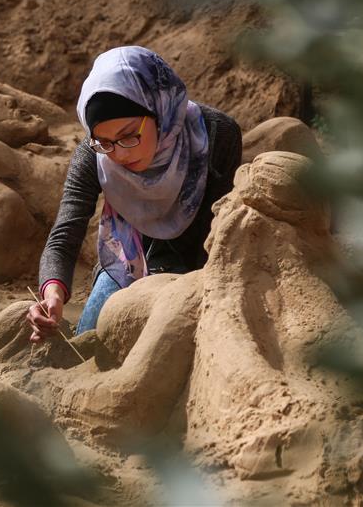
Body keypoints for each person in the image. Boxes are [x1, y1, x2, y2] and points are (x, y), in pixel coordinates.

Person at [27, 46, 242, 341]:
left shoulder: (216, 134)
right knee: (94, 339)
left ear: (159, 110)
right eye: (104, 142)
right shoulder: (93, 154)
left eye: (129, 136)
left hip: (200, 268)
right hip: (126, 265)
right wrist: (52, 294)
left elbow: (223, 231)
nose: (117, 155)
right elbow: (65, 233)